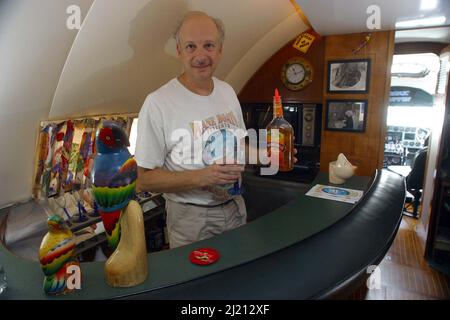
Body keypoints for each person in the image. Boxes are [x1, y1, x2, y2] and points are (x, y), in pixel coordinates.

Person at [134, 11, 248, 249]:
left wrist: (270, 153)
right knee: (199, 285)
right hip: (192, 220)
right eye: (190, 46)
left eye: (208, 45)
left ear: (220, 50)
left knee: (237, 282)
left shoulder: (227, 91)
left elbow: (240, 146)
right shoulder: (158, 103)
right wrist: (203, 177)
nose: (200, 55)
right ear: (179, 51)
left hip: (235, 207)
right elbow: (143, 180)